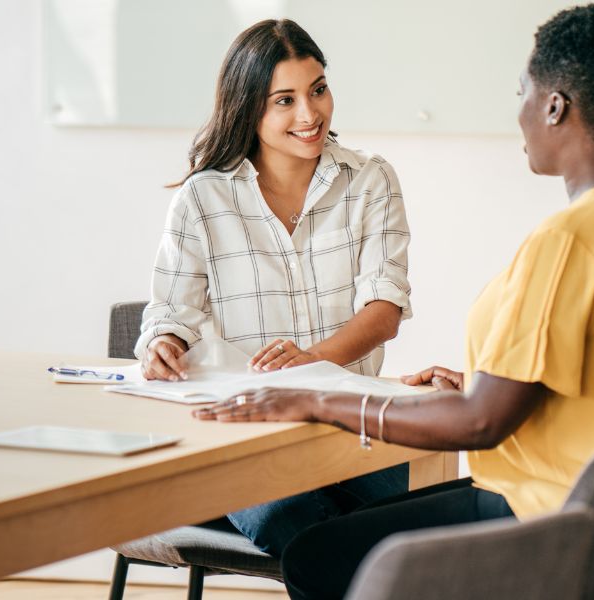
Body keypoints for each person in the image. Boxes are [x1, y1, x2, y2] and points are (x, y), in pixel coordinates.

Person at [194, 4, 594, 598]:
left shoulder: (568, 241)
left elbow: (482, 424)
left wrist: (316, 399)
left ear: (554, 106)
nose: (518, 112)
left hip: (552, 519)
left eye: (522, 92)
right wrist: (480, 384)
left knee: (316, 556)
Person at [135, 19, 412, 556]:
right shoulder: (202, 199)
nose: (309, 114)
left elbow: (384, 310)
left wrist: (309, 363)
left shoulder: (370, 179)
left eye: (318, 90)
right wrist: (163, 345)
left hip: (352, 435)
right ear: (248, 108)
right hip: (245, 443)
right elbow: (169, 313)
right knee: (305, 527)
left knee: (413, 521)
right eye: (284, 100)